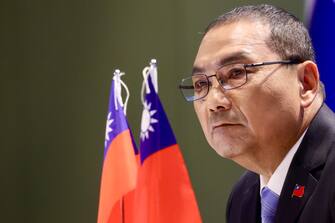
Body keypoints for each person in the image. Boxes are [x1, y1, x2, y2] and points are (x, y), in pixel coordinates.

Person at [179, 4, 335, 223]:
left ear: (305, 83)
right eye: (200, 84)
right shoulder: (244, 196)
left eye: (236, 73)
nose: (214, 102)